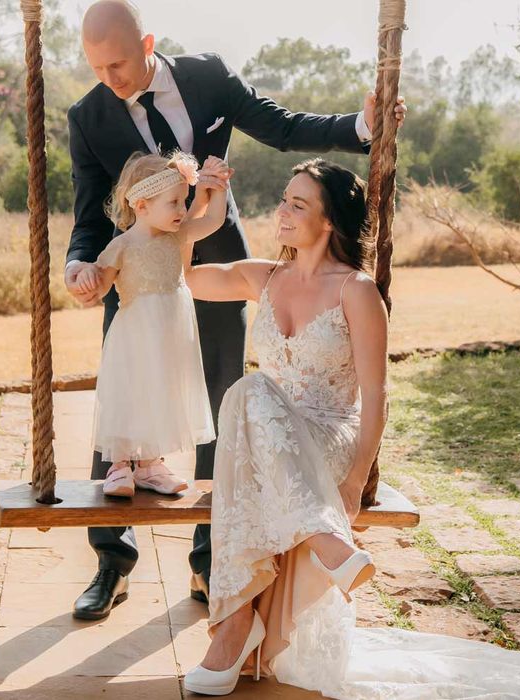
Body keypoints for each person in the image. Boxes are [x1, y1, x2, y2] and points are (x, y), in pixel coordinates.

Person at [180, 159, 520, 699]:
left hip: (328, 438)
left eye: (299, 204)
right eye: (285, 199)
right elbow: (185, 276)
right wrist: (201, 206)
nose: (283, 210)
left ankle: (234, 630)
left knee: (246, 396)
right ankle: (315, 549)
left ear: (331, 220)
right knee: (249, 395)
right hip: (270, 444)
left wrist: (353, 480)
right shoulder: (263, 276)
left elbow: (376, 395)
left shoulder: (357, 292)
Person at [63, 0, 407, 620]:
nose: (108, 80)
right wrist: (78, 266)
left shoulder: (207, 76)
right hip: (138, 279)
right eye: (96, 68)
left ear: (148, 43)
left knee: (226, 398)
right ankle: (111, 559)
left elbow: (281, 126)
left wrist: (361, 126)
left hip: (216, 256)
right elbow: (89, 212)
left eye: (117, 64)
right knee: (123, 391)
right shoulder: (87, 117)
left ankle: (208, 557)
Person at [72, 152, 232, 508]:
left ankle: (150, 465)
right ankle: (119, 465)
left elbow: (217, 219)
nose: (182, 209)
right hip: (136, 334)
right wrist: (85, 277)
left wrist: (217, 183)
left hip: (172, 335)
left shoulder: (179, 235)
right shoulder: (122, 245)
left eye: (184, 200)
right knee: (132, 392)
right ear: (142, 206)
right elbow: (98, 284)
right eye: (174, 202)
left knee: (163, 392)